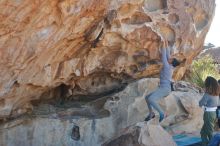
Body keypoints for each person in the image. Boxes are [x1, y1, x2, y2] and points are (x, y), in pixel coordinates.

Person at [144, 40, 181, 122]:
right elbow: (168, 55)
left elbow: (164, 56)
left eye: (171, 59)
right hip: (164, 88)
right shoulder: (171, 66)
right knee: (147, 98)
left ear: (171, 63)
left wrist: (163, 44)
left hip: (165, 89)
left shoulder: (167, 67)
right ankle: (151, 114)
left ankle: (161, 113)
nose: (169, 58)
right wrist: (166, 43)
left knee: (151, 99)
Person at [199, 76, 220, 146]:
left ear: (208, 85)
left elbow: (201, 103)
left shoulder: (207, 94)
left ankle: (213, 143)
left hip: (208, 114)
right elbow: (218, 103)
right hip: (214, 113)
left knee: (209, 131)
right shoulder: (216, 95)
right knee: (203, 131)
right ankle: (205, 144)